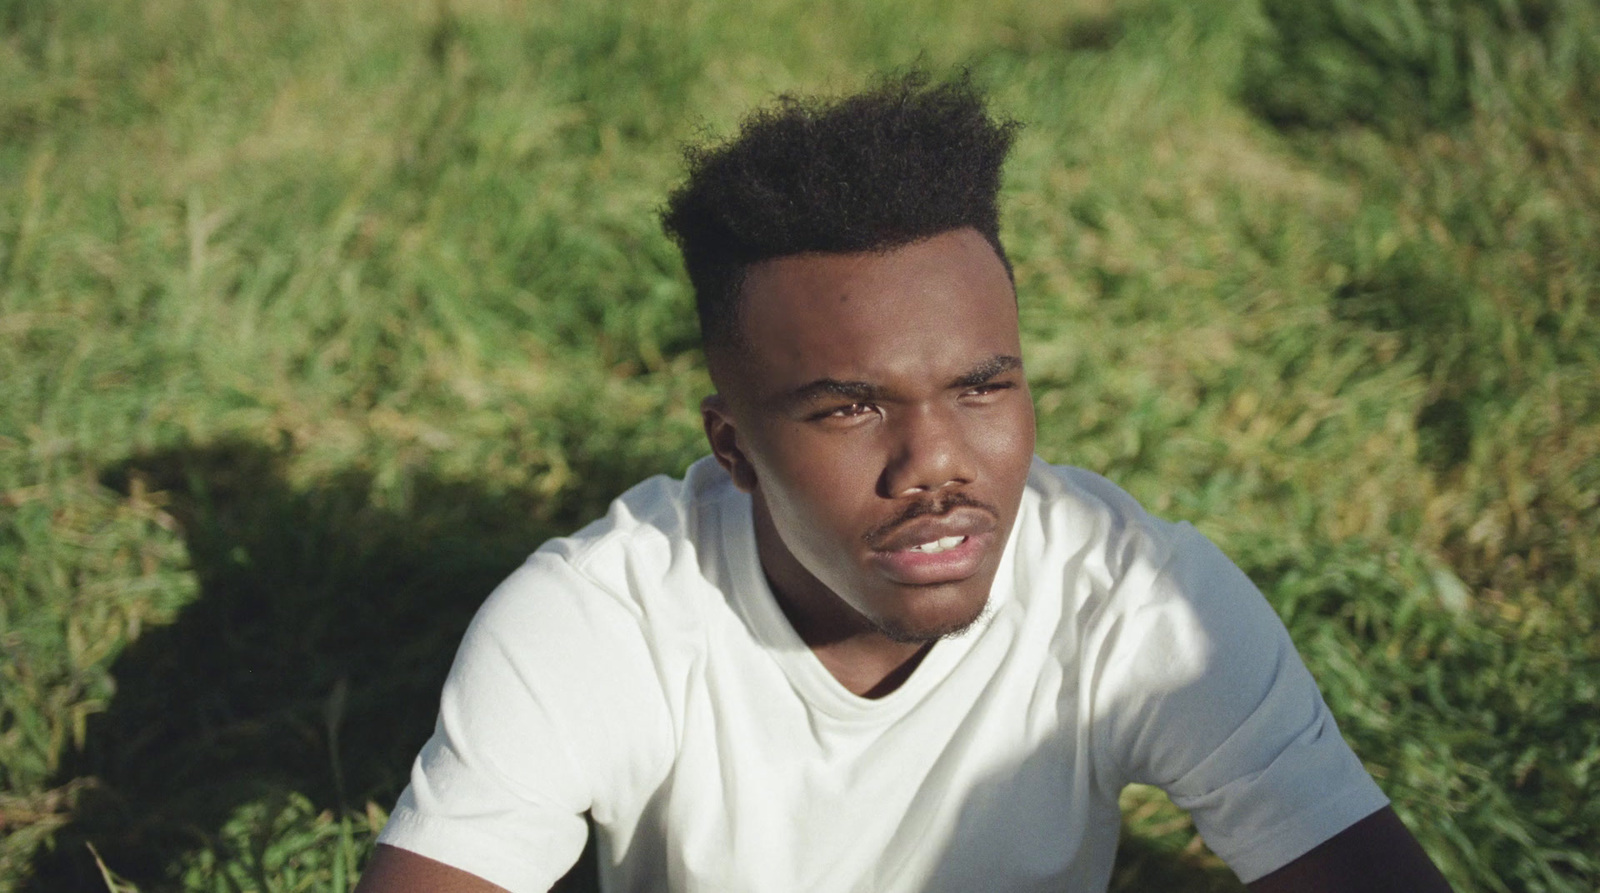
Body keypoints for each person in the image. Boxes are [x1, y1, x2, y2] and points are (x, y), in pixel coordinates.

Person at [355, 74, 1454, 893]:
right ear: (731, 448)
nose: (937, 461)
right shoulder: (600, 620)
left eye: (981, 388)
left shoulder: (1133, 596)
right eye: (850, 406)